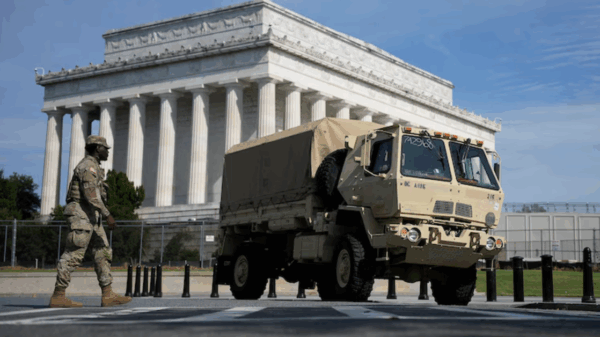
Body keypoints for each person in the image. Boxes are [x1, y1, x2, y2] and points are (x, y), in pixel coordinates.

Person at [49, 135, 132, 308]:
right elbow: (90, 195)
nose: (107, 152)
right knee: (74, 254)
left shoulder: (95, 167)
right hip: (81, 215)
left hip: (92, 217)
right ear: (97, 149)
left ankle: (108, 294)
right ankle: (58, 295)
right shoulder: (87, 167)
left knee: (103, 253)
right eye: (105, 149)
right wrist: (107, 214)